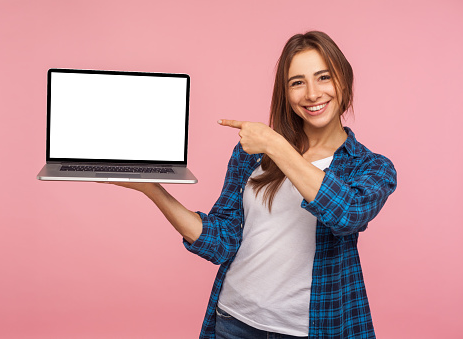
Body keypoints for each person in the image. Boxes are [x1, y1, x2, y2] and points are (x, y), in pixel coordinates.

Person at [104, 31, 397, 339]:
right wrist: (152, 189)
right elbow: (223, 240)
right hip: (233, 321)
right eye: (297, 82)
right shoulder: (252, 156)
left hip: (309, 330)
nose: (312, 93)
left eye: (323, 77)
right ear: (285, 93)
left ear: (344, 82)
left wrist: (276, 145)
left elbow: (346, 215)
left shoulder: (372, 167)